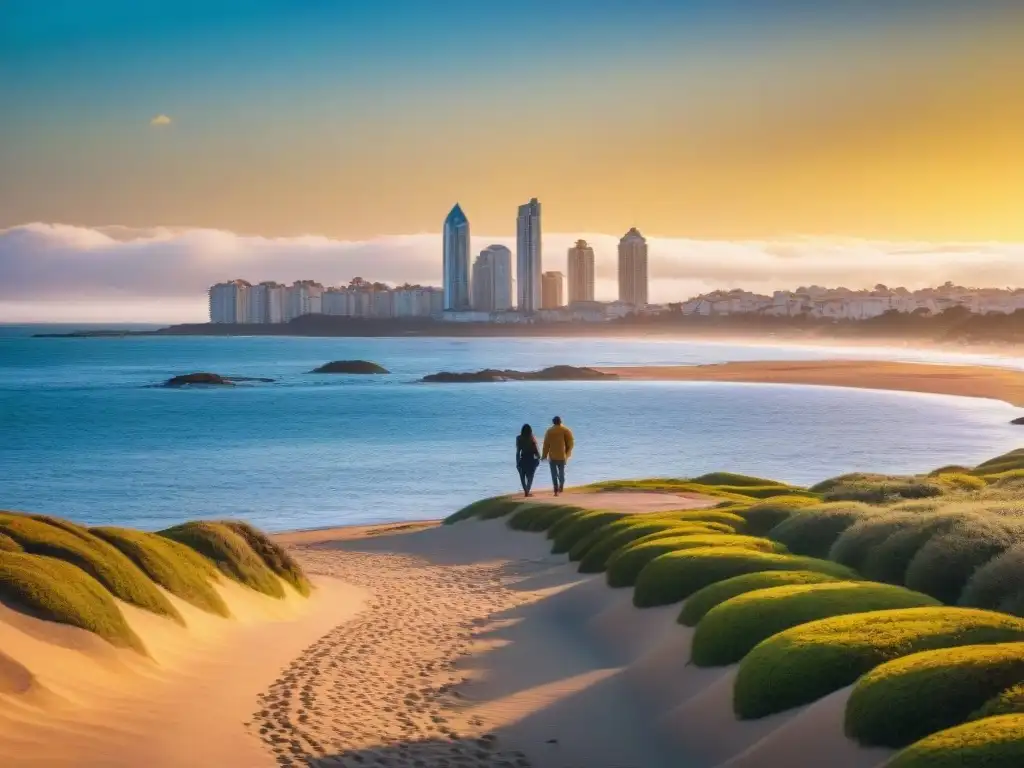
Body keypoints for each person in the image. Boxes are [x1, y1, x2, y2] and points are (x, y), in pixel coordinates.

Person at [542, 416, 574, 496]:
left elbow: (546, 445)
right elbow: (570, 443)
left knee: (554, 474)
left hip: (552, 456)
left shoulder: (549, 431)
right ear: (560, 421)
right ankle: (561, 486)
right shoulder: (566, 430)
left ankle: (555, 489)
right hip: (562, 456)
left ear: (553, 422)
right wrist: (567, 454)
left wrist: (544, 455)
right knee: (561, 473)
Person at [515, 423, 541, 497]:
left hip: (523, 459)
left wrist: (517, 463)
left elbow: (517, 452)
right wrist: (538, 459)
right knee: (530, 477)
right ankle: (527, 492)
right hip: (531, 460)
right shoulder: (532, 438)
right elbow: (536, 452)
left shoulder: (519, 438)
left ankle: (526, 491)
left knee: (522, 476)